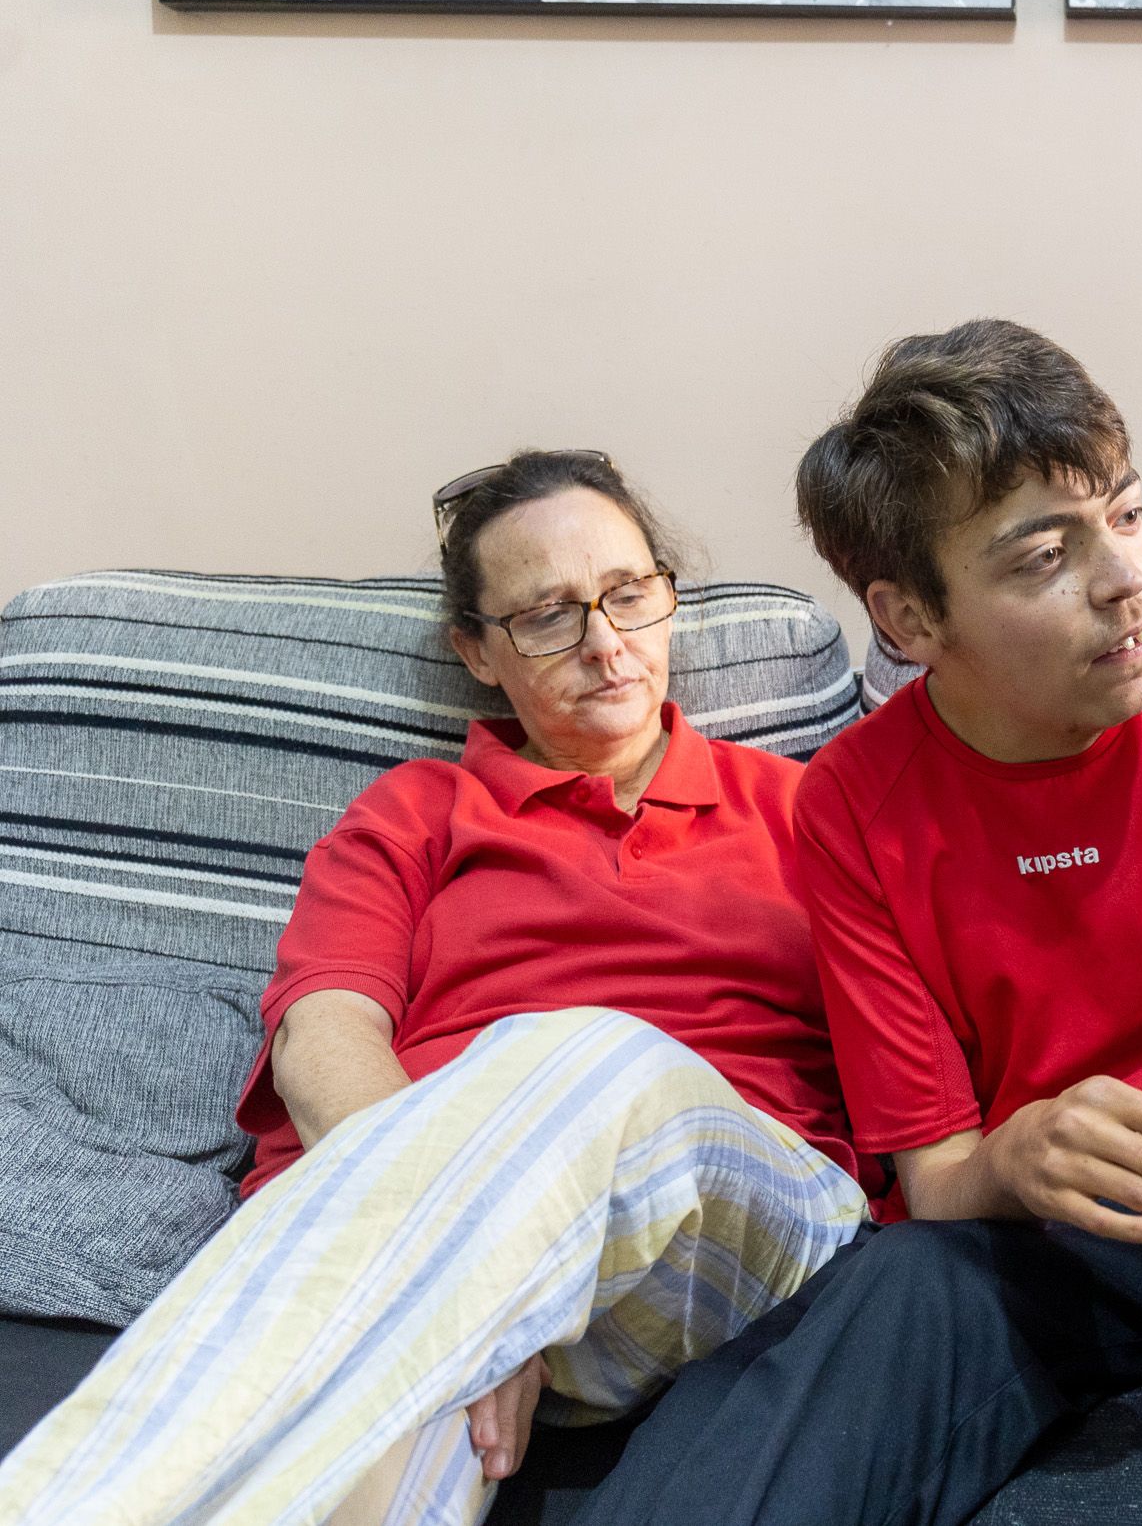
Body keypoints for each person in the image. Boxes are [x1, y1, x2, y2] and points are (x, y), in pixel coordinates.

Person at [567, 318, 1142, 1526]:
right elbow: (937, 1175)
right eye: (1044, 557)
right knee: (878, 1294)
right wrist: (1015, 1157)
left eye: (1127, 514)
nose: (1126, 579)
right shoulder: (852, 806)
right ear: (910, 619)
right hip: (1024, 1252)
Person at [0, 450, 873, 1526]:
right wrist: (481, 1278)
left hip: (726, 1233)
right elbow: (323, 1036)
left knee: (585, 1054)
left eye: (629, 593)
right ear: (477, 651)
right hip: (425, 1253)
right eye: (547, 616)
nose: (607, 643)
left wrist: (469, 1270)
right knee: (355, 1467)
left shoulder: (811, 810)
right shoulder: (414, 811)